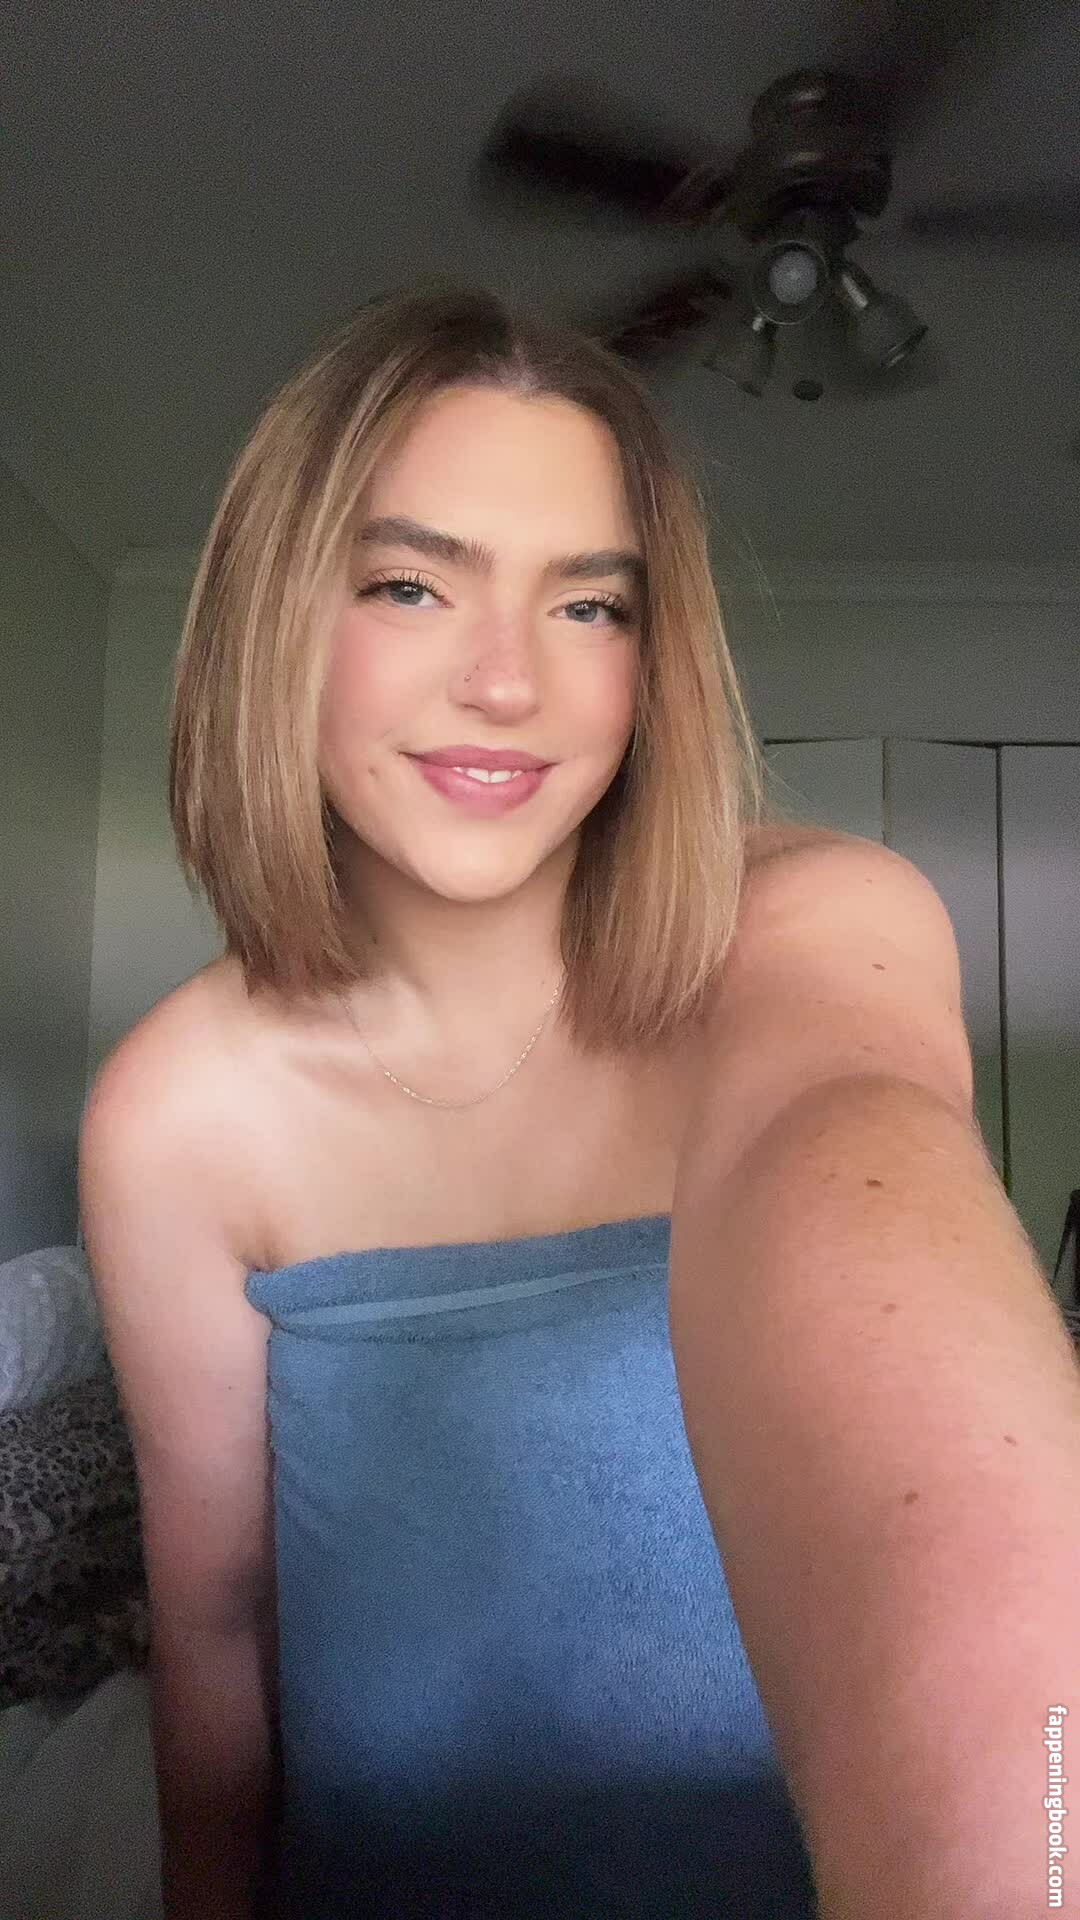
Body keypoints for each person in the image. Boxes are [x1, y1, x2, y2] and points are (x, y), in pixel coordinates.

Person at [79, 283, 1080, 1920]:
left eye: (591, 606)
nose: (508, 684)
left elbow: (857, 1150)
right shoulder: (179, 1115)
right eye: (411, 584)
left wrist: (1028, 1847)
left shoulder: (813, 927)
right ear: (276, 619)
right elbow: (214, 1631)